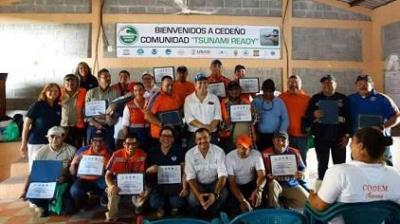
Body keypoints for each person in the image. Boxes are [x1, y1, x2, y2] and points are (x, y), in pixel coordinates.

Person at [308, 127, 400, 224]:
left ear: (360, 146)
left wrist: (311, 196)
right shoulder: (394, 174)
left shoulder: (339, 172)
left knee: (309, 208)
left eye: (352, 142)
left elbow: (319, 206)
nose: (350, 146)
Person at [20, 126, 76, 217]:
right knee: (32, 196)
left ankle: (62, 204)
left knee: (69, 209)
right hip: (46, 182)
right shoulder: (40, 152)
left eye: (57, 137)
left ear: (63, 137)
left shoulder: (71, 150)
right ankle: (44, 206)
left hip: (65, 181)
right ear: (48, 137)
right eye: (51, 136)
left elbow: (75, 172)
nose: (54, 139)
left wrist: (66, 177)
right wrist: (24, 190)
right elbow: (32, 173)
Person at [304, 75, 351, 182]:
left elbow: (349, 117)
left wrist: (347, 135)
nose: (327, 85)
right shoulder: (315, 98)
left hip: (339, 137)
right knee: (322, 165)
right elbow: (307, 115)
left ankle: (340, 186)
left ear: (335, 84)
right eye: (324, 83)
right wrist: (314, 114)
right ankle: (322, 187)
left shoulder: (343, 98)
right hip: (321, 137)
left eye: (330, 83)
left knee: (340, 166)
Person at [348, 74, 400, 166]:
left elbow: (397, 116)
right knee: (359, 169)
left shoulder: (383, 99)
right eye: (360, 83)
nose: (362, 86)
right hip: (359, 143)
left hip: (380, 141)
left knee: (385, 168)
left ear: (372, 84)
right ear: (356, 85)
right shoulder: (350, 100)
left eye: (365, 83)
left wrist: (383, 126)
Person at [104, 133, 149, 221]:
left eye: (134, 144)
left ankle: (138, 205)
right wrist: (111, 185)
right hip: (118, 183)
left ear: (138, 144)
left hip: (136, 184)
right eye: (128, 144)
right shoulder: (116, 155)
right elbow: (107, 175)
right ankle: (111, 216)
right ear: (124, 144)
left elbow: (144, 175)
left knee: (147, 190)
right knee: (111, 190)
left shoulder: (143, 155)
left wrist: (143, 188)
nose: (131, 147)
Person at [185, 128, 228, 217]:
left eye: (205, 137)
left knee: (224, 194)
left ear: (210, 138)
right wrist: (198, 195)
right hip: (199, 184)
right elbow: (190, 178)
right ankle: (200, 210)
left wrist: (215, 195)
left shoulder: (219, 152)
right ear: (196, 141)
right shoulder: (189, 154)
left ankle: (214, 210)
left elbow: (223, 175)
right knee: (192, 199)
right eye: (199, 139)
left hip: (214, 183)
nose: (203, 141)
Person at [146, 126, 188, 217]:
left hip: (174, 185)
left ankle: (174, 207)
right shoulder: (152, 151)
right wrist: (150, 169)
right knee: (154, 203)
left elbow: (185, 172)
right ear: (160, 138)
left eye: (169, 136)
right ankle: (160, 208)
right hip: (158, 186)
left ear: (173, 139)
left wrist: (184, 187)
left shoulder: (179, 150)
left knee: (177, 202)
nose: (166, 138)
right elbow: (146, 171)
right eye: (164, 135)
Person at [19, 83, 62, 169]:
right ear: (45, 92)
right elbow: (26, 126)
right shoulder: (37, 105)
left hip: (52, 143)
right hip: (37, 142)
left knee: (48, 169)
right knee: (35, 168)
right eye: (50, 90)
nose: (53, 92)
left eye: (56, 91)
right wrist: (23, 143)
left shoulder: (58, 107)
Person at [262, 131, 308, 209]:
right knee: (272, 184)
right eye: (278, 140)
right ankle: (275, 209)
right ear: (273, 141)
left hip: (291, 184)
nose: (280, 143)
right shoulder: (265, 153)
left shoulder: (295, 152)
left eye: (283, 140)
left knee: (308, 204)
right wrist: (267, 175)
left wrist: (302, 174)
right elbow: (261, 172)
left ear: (288, 142)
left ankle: (283, 203)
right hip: (275, 185)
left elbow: (303, 168)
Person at [69, 129, 111, 210]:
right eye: (95, 141)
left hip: (100, 179)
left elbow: (113, 172)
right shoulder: (82, 150)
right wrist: (73, 164)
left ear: (104, 142)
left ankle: (103, 196)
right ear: (91, 141)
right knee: (75, 190)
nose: (98, 143)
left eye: (101, 141)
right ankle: (84, 200)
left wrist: (107, 165)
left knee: (110, 186)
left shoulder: (109, 152)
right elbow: (72, 172)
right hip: (84, 179)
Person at [226, 134, 266, 214]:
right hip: (236, 186)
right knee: (233, 207)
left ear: (250, 148)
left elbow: (262, 176)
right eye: (239, 146)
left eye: (244, 148)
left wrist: (258, 190)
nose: (241, 150)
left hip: (251, 184)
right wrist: (242, 200)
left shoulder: (256, 155)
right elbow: (231, 182)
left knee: (259, 201)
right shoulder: (229, 157)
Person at [85, 68, 119, 152]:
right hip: (93, 125)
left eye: (109, 76)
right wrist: (95, 123)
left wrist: (109, 119)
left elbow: (118, 111)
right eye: (105, 76)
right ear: (99, 79)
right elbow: (85, 112)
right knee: (91, 149)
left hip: (109, 125)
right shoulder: (91, 92)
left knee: (109, 149)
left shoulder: (116, 92)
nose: (108, 78)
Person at [184, 73, 222, 148]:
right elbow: (189, 118)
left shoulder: (214, 98)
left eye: (205, 82)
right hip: (194, 134)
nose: (202, 85)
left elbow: (217, 116)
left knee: (214, 156)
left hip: (211, 134)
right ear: (195, 85)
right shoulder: (188, 99)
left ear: (208, 84)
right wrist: (204, 127)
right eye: (200, 83)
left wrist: (210, 128)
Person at [279, 75, 310, 164]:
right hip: (286, 135)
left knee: (302, 160)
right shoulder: (281, 97)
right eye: (290, 83)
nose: (293, 85)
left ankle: (302, 177)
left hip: (302, 136)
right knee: (288, 160)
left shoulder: (307, 99)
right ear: (287, 84)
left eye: (295, 82)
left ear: (301, 84)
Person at [252, 79, 289, 150]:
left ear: (274, 91)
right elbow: (251, 118)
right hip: (259, 136)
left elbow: (285, 119)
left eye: (270, 91)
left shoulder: (279, 102)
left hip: (276, 136)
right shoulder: (256, 101)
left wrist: (280, 134)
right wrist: (254, 133)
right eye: (266, 91)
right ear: (262, 90)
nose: (268, 93)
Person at [145, 76, 182, 143]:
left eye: (171, 85)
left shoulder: (176, 96)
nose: (170, 87)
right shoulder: (156, 97)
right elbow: (147, 115)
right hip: (159, 135)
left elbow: (180, 110)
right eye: (167, 85)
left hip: (174, 134)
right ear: (161, 85)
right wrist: (162, 125)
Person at [219, 81, 253, 153]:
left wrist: (252, 116)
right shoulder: (222, 104)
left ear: (240, 90)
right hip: (229, 141)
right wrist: (226, 124)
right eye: (231, 89)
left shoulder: (246, 102)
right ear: (228, 91)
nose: (234, 91)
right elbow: (219, 124)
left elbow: (256, 119)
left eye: (236, 89)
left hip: (246, 139)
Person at [60, 74, 87, 149]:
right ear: (64, 84)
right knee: (64, 147)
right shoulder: (60, 92)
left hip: (78, 125)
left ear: (77, 83)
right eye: (67, 83)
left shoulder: (83, 92)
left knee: (78, 147)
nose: (70, 85)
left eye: (72, 82)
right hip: (64, 125)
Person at [122, 82, 150, 149]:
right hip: (134, 133)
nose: (138, 92)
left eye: (140, 90)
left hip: (148, 132)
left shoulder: (149, 103)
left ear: (144, 90)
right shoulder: (129, 105)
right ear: (133, 92)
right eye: (136, 90)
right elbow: (125, 125)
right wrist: (126, 139)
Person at [111, 70, 133, 149]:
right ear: (118, 77)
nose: (123, 77)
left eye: (126, 76)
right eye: (121, 76)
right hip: (118, 117)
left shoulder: (132, 87)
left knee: (128, 137)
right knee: (118, 139)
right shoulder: (113, 87)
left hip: (130, 116)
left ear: (129, 78)